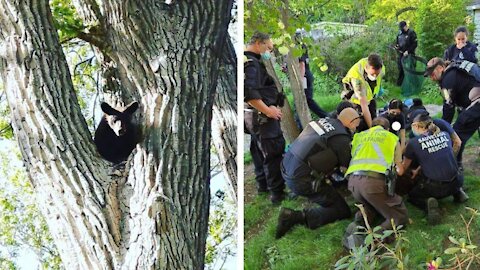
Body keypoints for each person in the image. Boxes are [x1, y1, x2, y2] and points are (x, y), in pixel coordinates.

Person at [275, 108, 361, 239]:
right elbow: (348, 167)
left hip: (285, 166)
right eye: (357, 124)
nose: (356, 127)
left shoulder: (322, 121)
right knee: (342, 210)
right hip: (301, 180)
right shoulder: (341, 139)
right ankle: (295, 217)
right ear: (351, 121)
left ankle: (298, 191)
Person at [343, 117, 407, 248]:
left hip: (353, 183)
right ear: (388, 129)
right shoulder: (391, 138)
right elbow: (400, 170)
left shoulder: (358, 136)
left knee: (371, 206)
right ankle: (369, 243)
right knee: (398, 216)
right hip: (373, 184)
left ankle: (358, 223)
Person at [401, 113, 468, 224]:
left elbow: (403, 168)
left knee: (413, 195)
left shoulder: (413, 143)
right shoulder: (445, 134)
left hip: (436, 188)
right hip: (458, 179)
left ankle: (428, 204)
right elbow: (434, 157)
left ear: (417, 126)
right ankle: (458, 192)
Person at [244, 32, 286, 204]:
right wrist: (269, 111)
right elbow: (250, 94)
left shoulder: (248, 61)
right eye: (268, 47)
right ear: (259, 43)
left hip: (253, 118)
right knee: (273, 152)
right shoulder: (251, 64)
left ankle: (263, 185)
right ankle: (277, 194)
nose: (269, 51)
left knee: (258, 151)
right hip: (262, 118)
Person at [424, 57, 480, 166]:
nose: (431, 78)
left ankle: (454, 164)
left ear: (440, 68)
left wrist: (442, 128)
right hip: (474, 102)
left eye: (432, 73)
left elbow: (448, 107)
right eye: (429, 75)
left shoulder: (447, 80)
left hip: (477, 104)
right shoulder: (455, 70)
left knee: (458, 133)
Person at [342, 53, 385, 132]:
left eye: (377, 74)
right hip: (355, 98)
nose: (375, 76)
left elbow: (378, 79)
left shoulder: (379, 66)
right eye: (373, 74)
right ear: (366, 68)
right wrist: (371, 129)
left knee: (373, 117)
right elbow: (364, 105)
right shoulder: (357, 78)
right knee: (361, 124)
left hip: (370, 96)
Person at [296, 31, 329, 118]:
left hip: (304, 76)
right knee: (304, 100)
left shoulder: (298, 47)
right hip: (306, 75)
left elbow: (302, 64)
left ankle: (326, 116)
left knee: (307, 100)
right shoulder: (302, 46)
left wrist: (300, 79)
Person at [395, 21, 418, 86]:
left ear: (406, 26)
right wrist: (397, 47)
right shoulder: (399, 34)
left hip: (410, 54)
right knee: (401, 69)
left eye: (403, 28)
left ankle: (414, 84)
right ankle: (400, 85)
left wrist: (408, 51)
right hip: (401, 54)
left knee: (412, 69)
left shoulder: (411, 33)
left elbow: (415, 44)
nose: (402, 29)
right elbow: (397, 43)